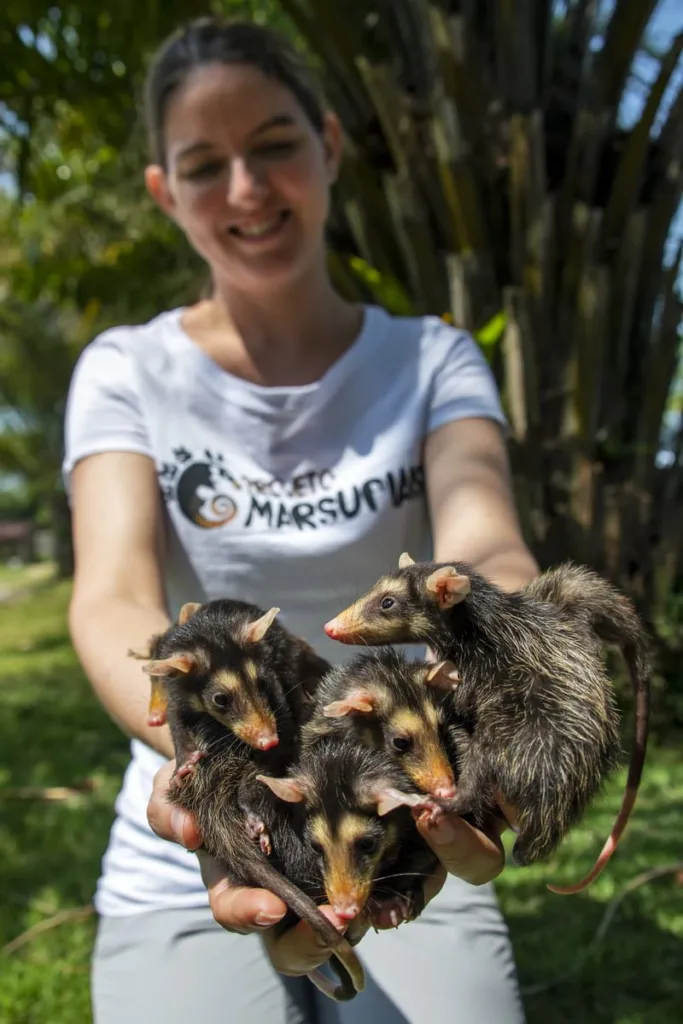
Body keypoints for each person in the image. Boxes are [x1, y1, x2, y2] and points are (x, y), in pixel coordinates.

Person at [63, 15, 539, 1024]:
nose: (246, 189)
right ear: (163, 191)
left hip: (397, 800)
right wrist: (201, 760)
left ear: (325, 144)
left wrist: (502, 654)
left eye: (275, 145)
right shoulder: (126, 368)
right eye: (204, 165)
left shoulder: (430, 359)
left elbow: (484, 538)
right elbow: (111, 597)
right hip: (209, 818)